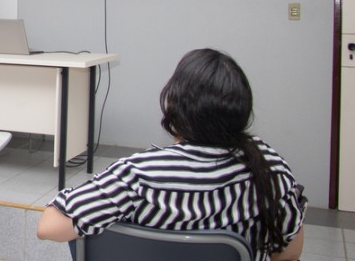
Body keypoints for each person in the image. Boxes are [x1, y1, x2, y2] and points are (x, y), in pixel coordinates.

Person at [36, 48, 306, 261]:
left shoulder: (139, 174)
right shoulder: (270, 169)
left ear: (175, 105)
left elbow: (48, 227)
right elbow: (289, 253)